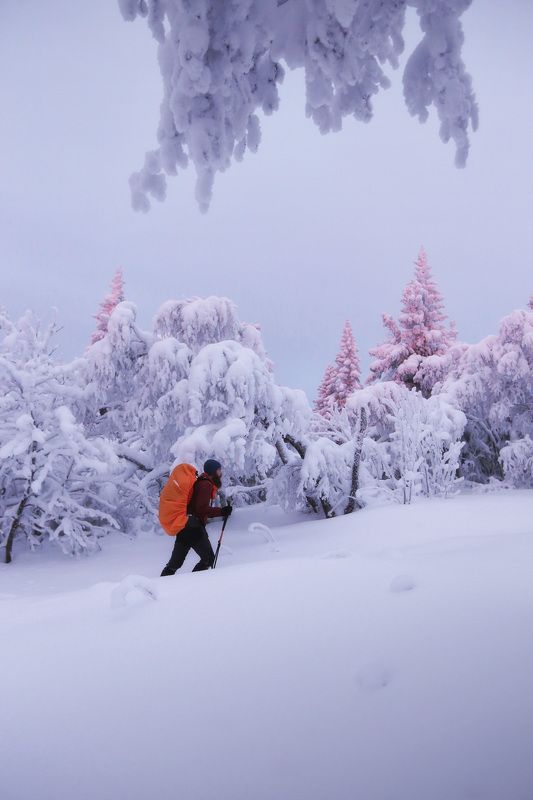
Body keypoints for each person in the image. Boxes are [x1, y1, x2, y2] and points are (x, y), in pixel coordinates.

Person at [160, 459, 232, 576]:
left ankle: (162, 582)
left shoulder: (200, 482)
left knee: (175, 563)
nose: (220, 473)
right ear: (213, 471)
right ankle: (194, 583)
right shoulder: (205, 485)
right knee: (208, 559)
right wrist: (222, 511)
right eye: (219, 470)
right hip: (193, 527)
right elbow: (201, 509)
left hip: (185, 526)